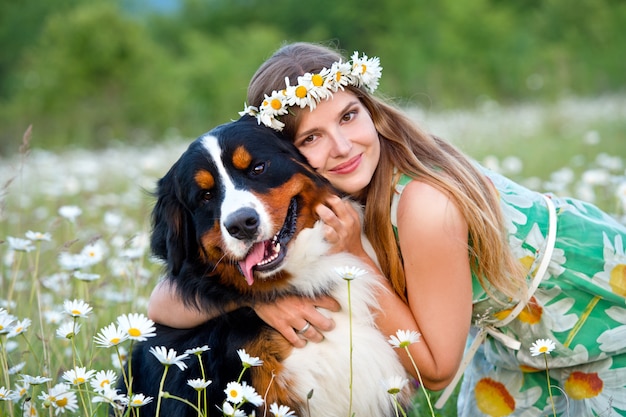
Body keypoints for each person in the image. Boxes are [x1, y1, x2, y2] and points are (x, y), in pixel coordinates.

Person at [148, 42, 626, 416]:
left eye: (349, 116)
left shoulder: (423, 204)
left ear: (371, 109)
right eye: (312, 137)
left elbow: (436, 370)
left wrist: (355, 251)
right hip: (516, 346)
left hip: (601, 321)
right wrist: (257, 298)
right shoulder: (335, 197)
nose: (341, 146)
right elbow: (161, 303)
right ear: (291, 155)